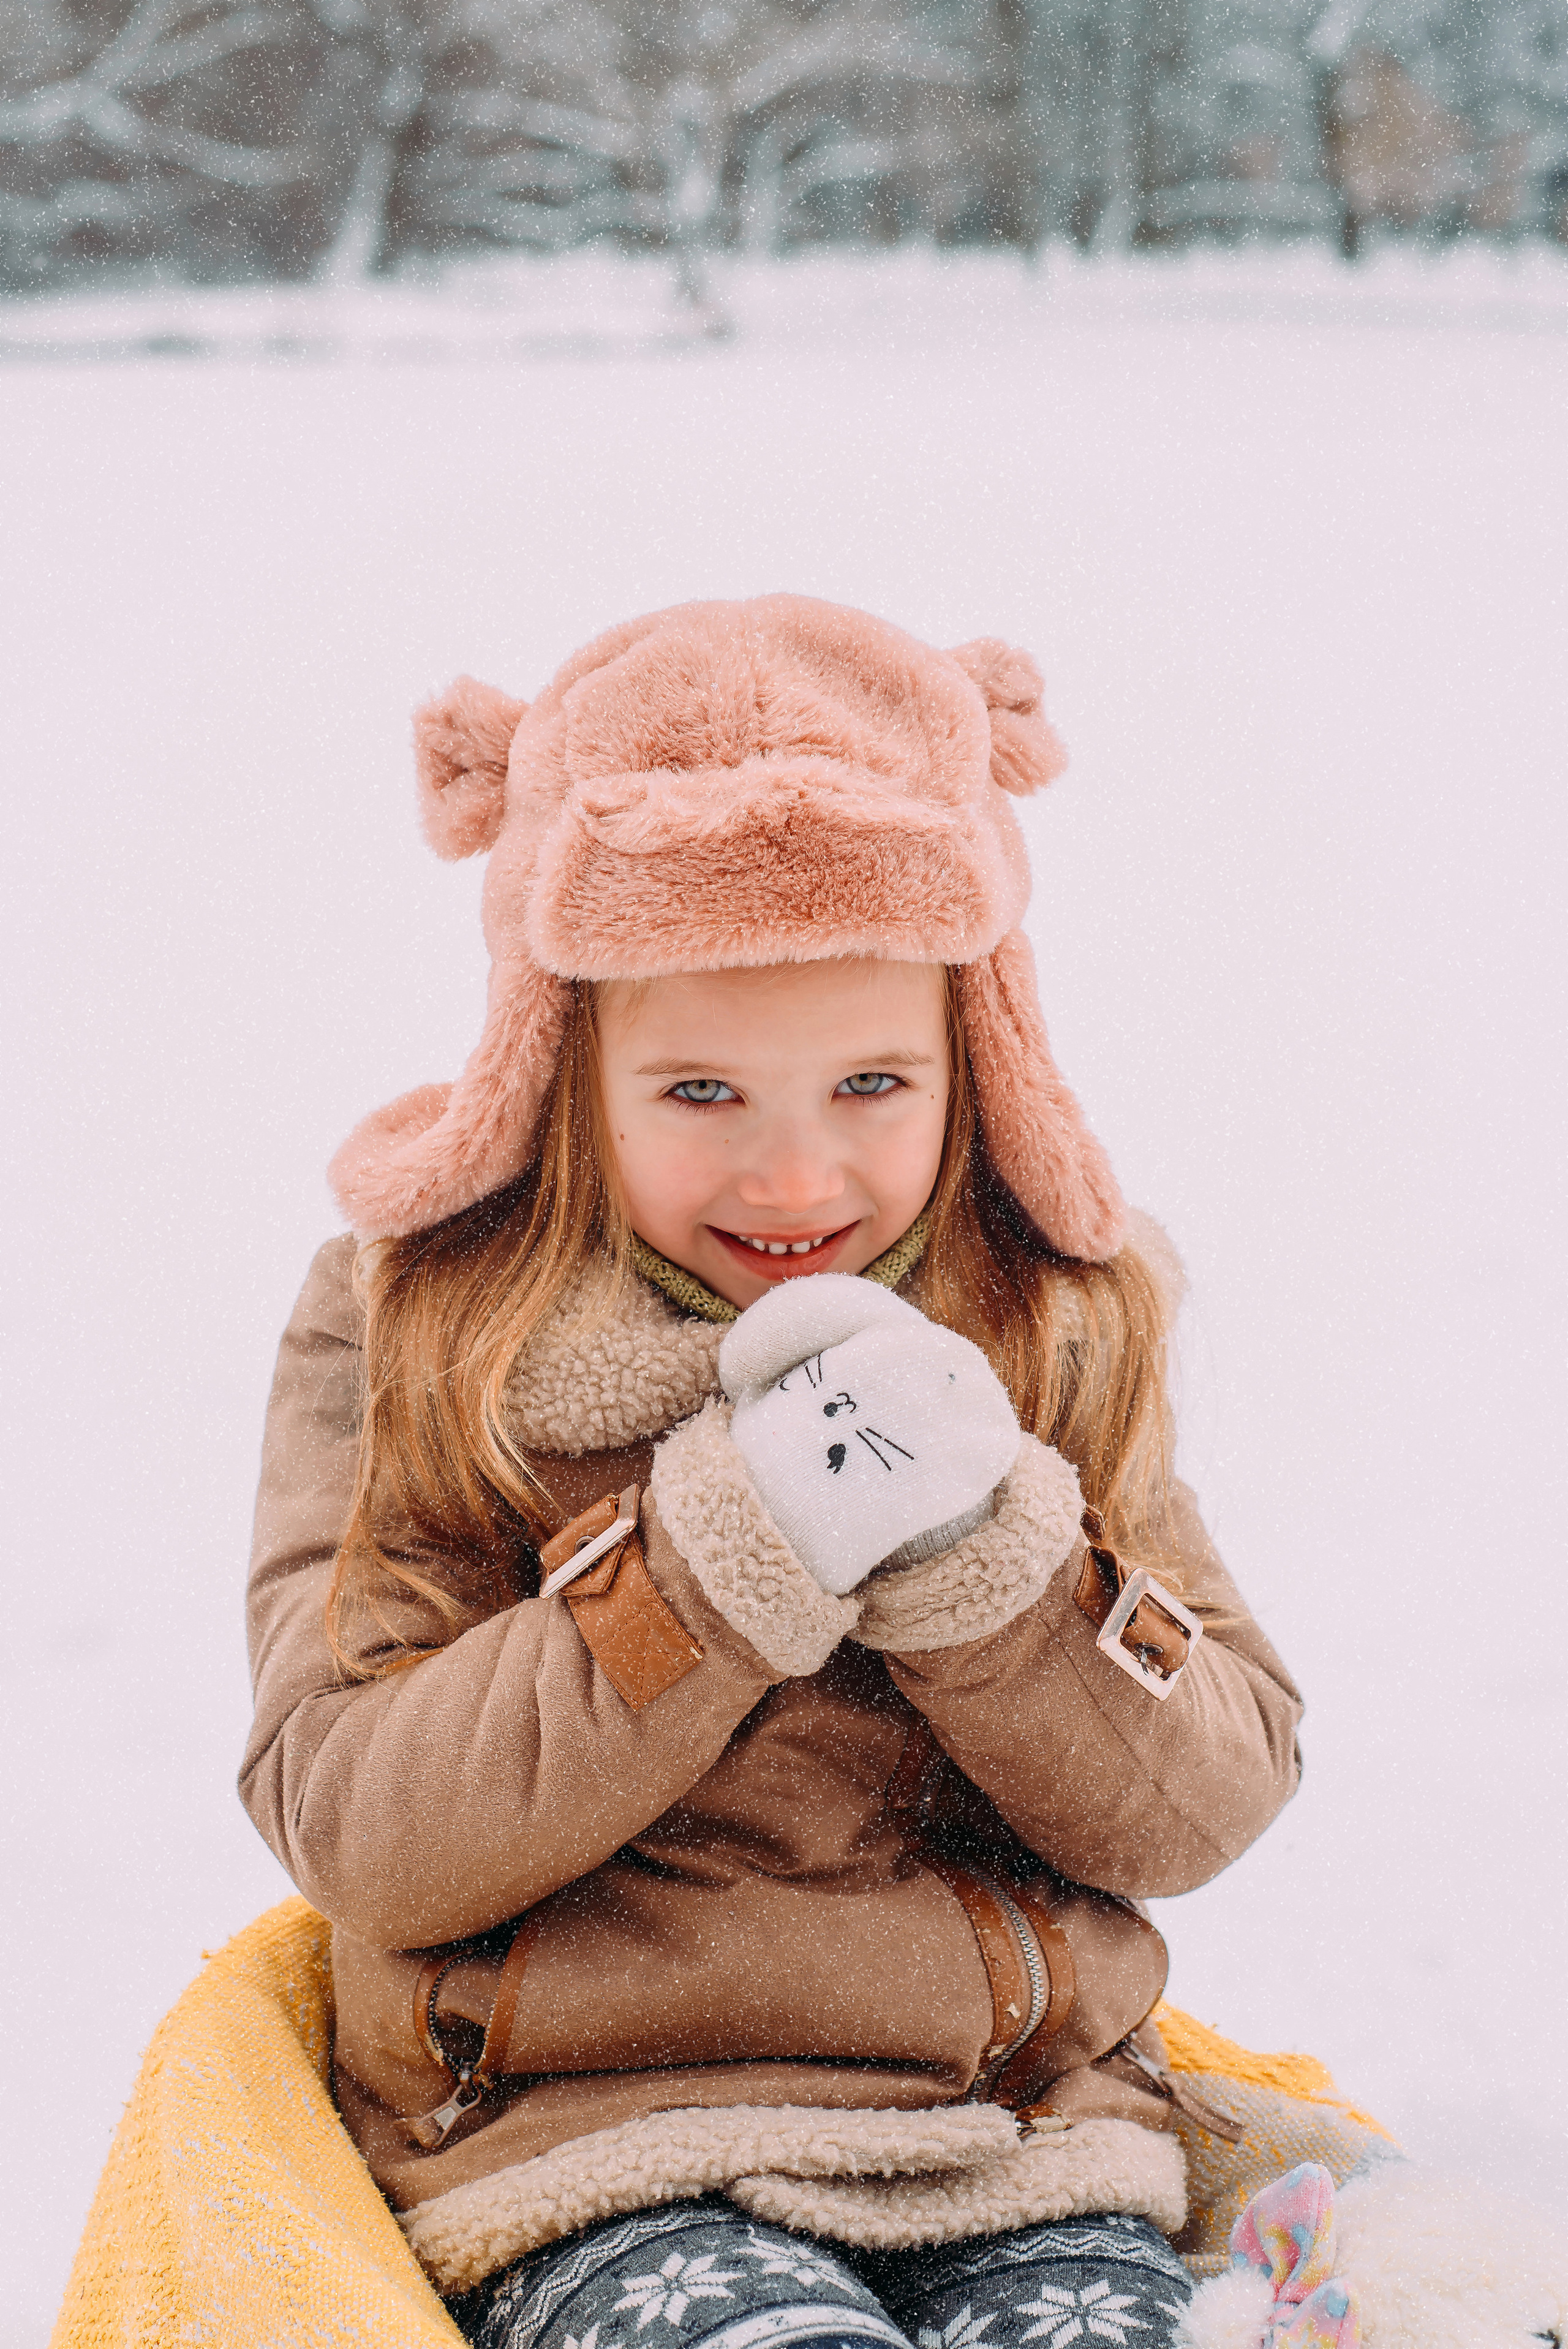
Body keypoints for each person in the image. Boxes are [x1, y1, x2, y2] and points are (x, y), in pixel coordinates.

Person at [242, 595, 1303, 2349]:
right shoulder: (429, 1333)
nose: (796, 1172)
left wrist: (996, 1564)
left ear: (981, 1055)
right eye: (704, 1089)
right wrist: (714, 1563)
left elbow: (1211, 1790)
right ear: (565, 1064)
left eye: (875, 1081)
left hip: (1019, 2142)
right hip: (594, 2156)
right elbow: (355, 1813)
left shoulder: (1049, 1321)